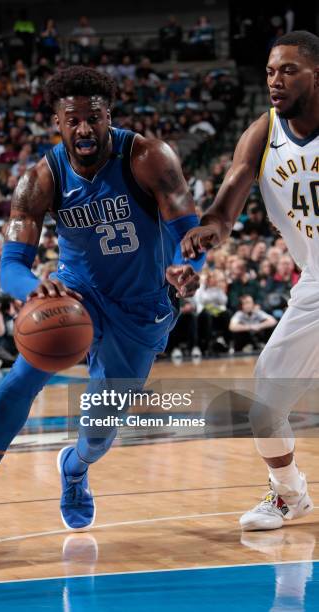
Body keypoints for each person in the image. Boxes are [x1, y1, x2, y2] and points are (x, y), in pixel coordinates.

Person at [0, 66, 203, 552]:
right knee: (19, 380)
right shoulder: (41, 177)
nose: (84, 129)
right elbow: (12, 265)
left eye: (93, 118)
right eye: (72, 119)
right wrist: (35, 287)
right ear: (57, 120)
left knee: (99, 433)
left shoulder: (148, 157)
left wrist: (185, 265)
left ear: (108, 116)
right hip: (76, 294)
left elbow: (189, 227)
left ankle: (74, 468)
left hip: (143, 306)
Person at [181, 31, 319, 531]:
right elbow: (228, 201)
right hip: (315, 288)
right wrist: (209, 231)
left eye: (287, 70)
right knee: (265, 406)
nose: (275, 81)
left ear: (316, 74)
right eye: (269, 72)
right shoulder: (263, 134)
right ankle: (289, 494)